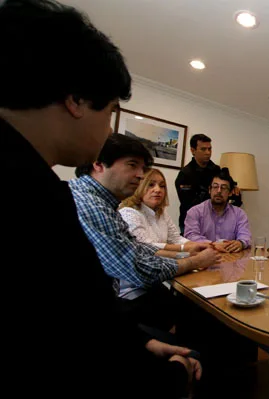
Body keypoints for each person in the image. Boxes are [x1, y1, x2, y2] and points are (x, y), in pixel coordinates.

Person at [0, 0, 201, 396]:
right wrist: (172, 375)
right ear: (75, 100)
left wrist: (137, 341)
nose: (144, 180)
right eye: (110, 111)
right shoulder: (44, 196)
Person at [71, 134, 220, 330]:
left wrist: (188, 251)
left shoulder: (106, 205)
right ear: (98, 164)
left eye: (142, 169)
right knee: (197, 313)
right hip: (116, 302)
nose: (140, 175)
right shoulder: (93, 205)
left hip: (118, 298)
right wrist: (194, 260)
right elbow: (136, 267)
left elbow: (138, 248)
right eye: (132, 165)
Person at [119, 167, 208, 254]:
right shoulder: (128, 212)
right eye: (151, 185)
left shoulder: (161, 212)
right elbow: (146, 246)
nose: (158, 190)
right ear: (138, 187)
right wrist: (183, 248)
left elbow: (176, 239)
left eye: (162, 186)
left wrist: (203, 246)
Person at [175, 133, 242, 231]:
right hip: (193, 222)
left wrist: (233, 191)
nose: (208, 152)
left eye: (209, 149)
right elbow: (189, 204)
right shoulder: (185, 174)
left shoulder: (217, 170)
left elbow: (232, 198)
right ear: (193, 151)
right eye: (203, 149)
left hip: (217, 220)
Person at [184, 169, 251, 253]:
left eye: (223, 188)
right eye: (215, 187)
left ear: (230, 193)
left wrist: (240, 243)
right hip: (202, 258)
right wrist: (213, 245)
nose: (219, 191)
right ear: (209, 190)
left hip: (230, 258)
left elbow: (245, 236)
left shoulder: (239, 214)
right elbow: (191, 236)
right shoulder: (195, 212)